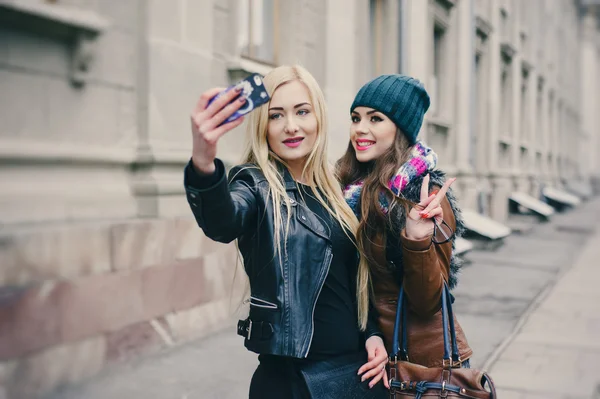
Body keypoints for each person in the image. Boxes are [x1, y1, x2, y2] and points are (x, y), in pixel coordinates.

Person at [184, 65, 389, 398]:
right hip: (293, 382)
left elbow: (353, 282)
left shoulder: (336, 188)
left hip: (355, 377)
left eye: (302, 111)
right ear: (262, 125)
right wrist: (204, 165)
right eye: (276, 115)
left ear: (318, 118)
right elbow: (222, 221)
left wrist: (372, 335)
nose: (291, 126)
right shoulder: (254, 184)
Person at [337, 74, 473, 368]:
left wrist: (416, 238)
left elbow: (427, 302)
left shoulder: (425, 197)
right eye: (355, 118)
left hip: (415, 365)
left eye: (375, 119)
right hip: (363, 350)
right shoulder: (346, 188)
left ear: (400, 129)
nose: (360, 129)